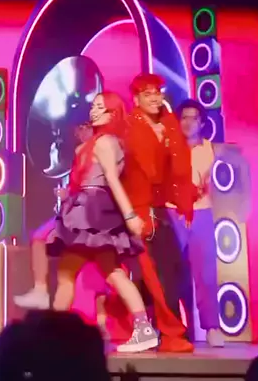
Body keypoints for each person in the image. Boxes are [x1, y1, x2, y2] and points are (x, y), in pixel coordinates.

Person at [46, 92, 158, 353]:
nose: (93, 111)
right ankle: (52, 335)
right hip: (92, 208)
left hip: (92, 211)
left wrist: (130, 216)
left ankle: (51, 337)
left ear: (113, 113)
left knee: (78, 274)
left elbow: (112, 180)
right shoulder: (103, 142)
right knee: (99, 272)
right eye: (94, 106)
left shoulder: (105, 143)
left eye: (101, 108)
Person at [104, 74, 197, 353]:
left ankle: (169, 332)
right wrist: (128, 214)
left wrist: (182, 197)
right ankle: (161, 332)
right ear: (136, 99)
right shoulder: (129, 127)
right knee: (150, 275)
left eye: (158, 92)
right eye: (148, 94)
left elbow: (177, 168)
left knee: (170, 273)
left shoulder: (169, 125)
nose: (155, 98)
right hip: (138, 209)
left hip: (160, 209)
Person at [14, 123, 93, 310]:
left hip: (89, 215)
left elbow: (94, 190)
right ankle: (41, 292)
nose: (80, 133)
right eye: (78, 129)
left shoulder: (96, 152)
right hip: (75, 212)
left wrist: (70, 196)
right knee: (44, 244)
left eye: (84, 128)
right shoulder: (80, 153)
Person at [172, 99, 224, 347]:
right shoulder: (169, 148)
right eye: (184, 117)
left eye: (194, 118)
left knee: (206, 273)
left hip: (202, 212)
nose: (188, 122)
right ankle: (171, 328)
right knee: (170, 273)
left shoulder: (211, 149)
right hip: (173, 212)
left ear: (202, 123)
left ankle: (212, 326)